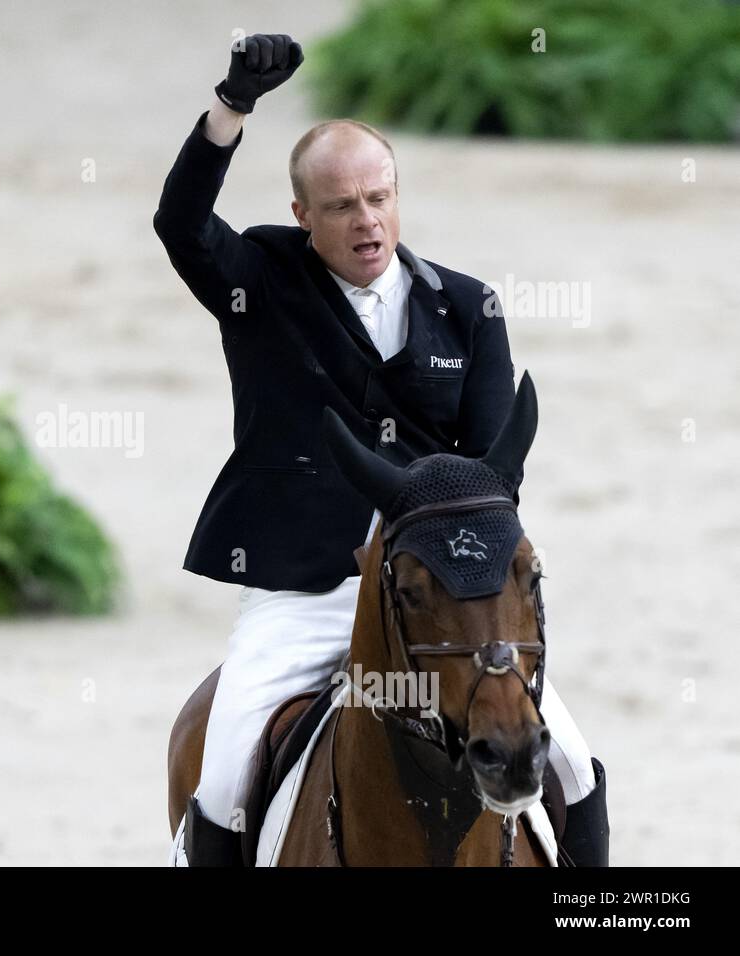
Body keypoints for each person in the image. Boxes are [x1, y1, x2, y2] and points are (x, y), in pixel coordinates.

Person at [152, 33, 609, 866]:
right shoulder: (260, 285)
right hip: (303, 591)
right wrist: (232, 106)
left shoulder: (468, 307)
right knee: (219, 781)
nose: (366, 221)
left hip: (443, 604)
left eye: (378, 198)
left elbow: (488, 478)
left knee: (571, 772)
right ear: (303, 216)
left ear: (398, 197)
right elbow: (179, 225)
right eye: (340, 206)